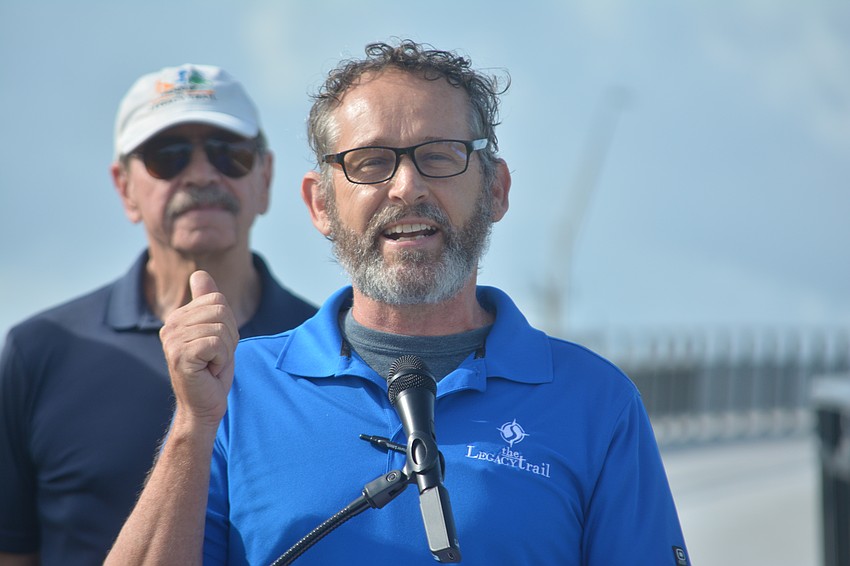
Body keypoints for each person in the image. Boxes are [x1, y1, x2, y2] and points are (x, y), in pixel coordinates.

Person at [106, 41, 690, 565]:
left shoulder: (596, 401)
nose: (407, 187)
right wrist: (193, 424)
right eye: (370, 163)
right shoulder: (235, 388)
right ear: (320, 206)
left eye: (438, 155)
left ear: (496, 190)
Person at [0, 64, 317, 565]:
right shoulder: (38, 352)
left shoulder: (330, 349)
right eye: (167, 156)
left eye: (227, 152)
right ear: (124, 186)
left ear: (266, 177)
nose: (201, 173)